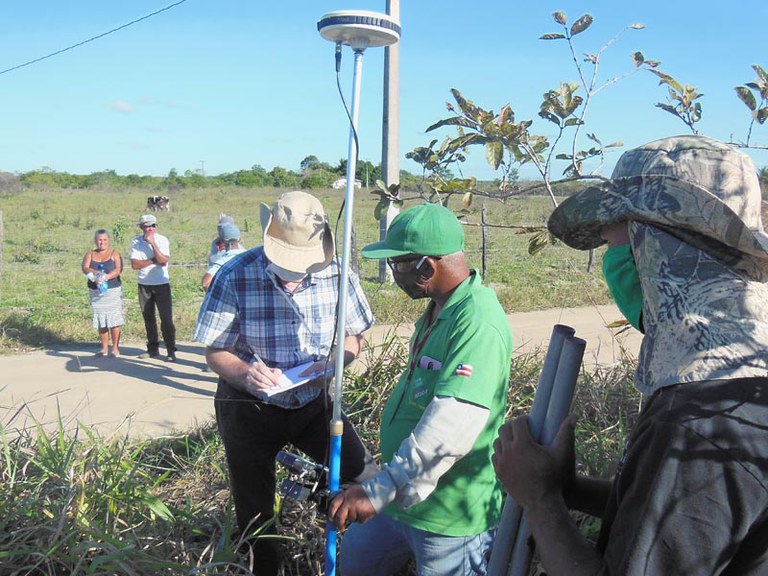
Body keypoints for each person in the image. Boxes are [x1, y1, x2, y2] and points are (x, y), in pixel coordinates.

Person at [492, 135, 768, 576]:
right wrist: (568, 488)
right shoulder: (738, 378)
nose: (610, 254)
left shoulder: (696, 420)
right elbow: (673, 521)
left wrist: (539, 500)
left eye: (614, 238)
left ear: (659, 246)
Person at [193, 190, 377, 576]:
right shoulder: (234, 275)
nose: (294, 277)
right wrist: (246, 374)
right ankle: (267, 569)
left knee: (365, 476)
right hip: (248, 408)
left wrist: (332, 363)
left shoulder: (339, 273)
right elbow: (216, 351)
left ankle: (364, 554)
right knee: (255, 512)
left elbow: (355, 337)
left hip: (315, 404)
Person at [331, 203, 514, 576]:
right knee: (356, 560)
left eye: (396, 264)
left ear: (426, 267)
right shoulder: (439, 307)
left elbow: (453, 422)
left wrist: (379, 489)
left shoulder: (477, 321)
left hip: (450, 517)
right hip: (403, 498)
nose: (392, 273)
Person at [130, 214, 177, 362]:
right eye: (147, 226)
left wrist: (153, 244)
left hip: (161, 283)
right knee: (148, 318)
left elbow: (163, 261)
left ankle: (170, 350)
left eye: (153, 225)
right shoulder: (136, 241)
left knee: (166, 319)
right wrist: (153, 260)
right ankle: (152, 349)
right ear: (141, 227)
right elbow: (135, 265)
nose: (150, 229)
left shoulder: (162, 240)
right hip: (144, 284)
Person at [81, 229, 124, 357]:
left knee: (114, 318)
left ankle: (115, 348)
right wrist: (97, 274)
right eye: (100, 240)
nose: (102, 242)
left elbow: (118, 269)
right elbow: (85, 267)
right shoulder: (90, 254)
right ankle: (104, 347)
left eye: (105, 240)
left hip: (112, 290)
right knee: (101, 319)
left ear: (109, 240)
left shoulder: (114, 253)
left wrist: (106, 277)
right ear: (96, 241)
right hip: (96, 292)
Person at [202, 221, 246, 291]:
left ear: (222, 241)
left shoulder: (222, 261)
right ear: (240, 239)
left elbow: (206, 284)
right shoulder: (251, 258)